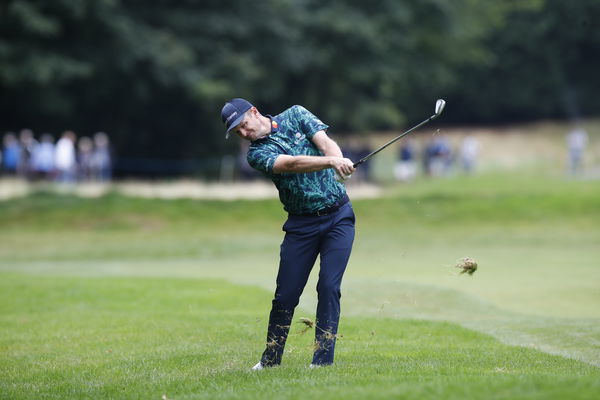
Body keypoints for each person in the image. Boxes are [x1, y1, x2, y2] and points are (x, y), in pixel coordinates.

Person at [221, 98, 356, 370]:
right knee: (285, 297)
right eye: (238, 132)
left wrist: (339, 161)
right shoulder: (256, 154)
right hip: (301, 226)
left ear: (254, 112)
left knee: (329, 287)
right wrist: (332, 162)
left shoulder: (296, 114)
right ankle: (270, 360)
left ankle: (322, 362)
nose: (244, 134)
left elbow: (325, 142)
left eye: (244, 126)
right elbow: (292, 164)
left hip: (339, 217)